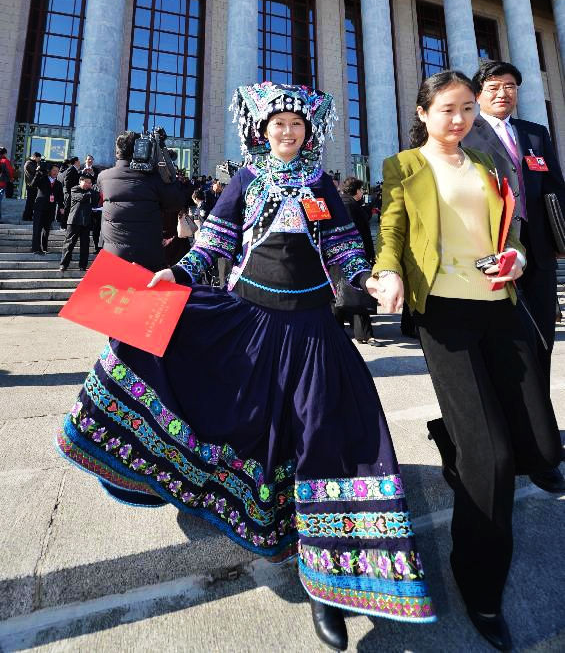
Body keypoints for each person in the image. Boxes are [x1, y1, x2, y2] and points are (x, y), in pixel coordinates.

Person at [57, 83, 435, 652]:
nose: (288, 132)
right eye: (278, 124)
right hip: (249, 321)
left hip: (312, 333)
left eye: (297, 126)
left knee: (328, 443)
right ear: (261, 130)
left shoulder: (321, 184)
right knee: (206, 388)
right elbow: (213, 244)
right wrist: (174, 276)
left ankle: (328, 589)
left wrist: (370, 278)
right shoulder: (243, 180)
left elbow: (343, 249)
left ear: (309, 133)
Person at [371, 69, 561, 651]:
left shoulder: (486, 166)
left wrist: (516, 258)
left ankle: (452, 439)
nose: (461, 120)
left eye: (467, 110)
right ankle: (479, 586)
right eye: (449, 110)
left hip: (500, 307)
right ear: (425, 113)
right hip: (445, 317)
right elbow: (392, 228)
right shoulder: (405, 166)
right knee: (493, 460)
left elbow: (512, 231)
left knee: (543, 447)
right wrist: (387, 272)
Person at [465, 60, 565, 494]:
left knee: (540, 349)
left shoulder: (534, 134)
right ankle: (498, 442)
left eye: (510, 86)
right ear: (478, 93)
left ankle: (540, 448)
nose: (503, 93)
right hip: (489, 260)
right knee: (495, 354)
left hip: (538, 260)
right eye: (494, 86)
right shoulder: (466, 132)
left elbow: (555, 188)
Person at [97, 132, 185, 272]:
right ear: (141, 149)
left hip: (112, 256)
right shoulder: (153, 179)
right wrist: (166, 171)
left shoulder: (103, 177)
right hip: (147, 258)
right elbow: (175, 203)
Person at [334, 176, 378, 345]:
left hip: (335, 254)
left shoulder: (337, 203)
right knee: (358, 292)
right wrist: (369, 254)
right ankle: (364, 333)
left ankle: (337, 330)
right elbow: (364, 232)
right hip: (355, 253)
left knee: (337, 293)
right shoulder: (352, 206)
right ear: (357, 191)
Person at [60, 172, 100, 272]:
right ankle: (64, 264)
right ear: (80, 181)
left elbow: (96, 200)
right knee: (69, 244)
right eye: (86, 182)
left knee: (85, 245)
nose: (88, 184)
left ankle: (83, 266)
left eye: (90, 182)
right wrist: (90, 193)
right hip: (74, 221)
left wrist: (91, 193)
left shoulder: (92, 192)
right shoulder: (75, 189)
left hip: (86, 222)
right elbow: (81, 198)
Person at [29, 162, 64, 254]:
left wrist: (61, 207)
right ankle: (36, 248)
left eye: (57, 171)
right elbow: (32, 185)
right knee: (37, 228)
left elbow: (60, 197)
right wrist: (37, 173)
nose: (55, 173)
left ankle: (44, 248)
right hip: (40, 208)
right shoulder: (42, 179)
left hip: (50, 209)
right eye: (54, 170)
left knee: (46, 229)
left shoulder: (58, 184)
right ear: (49, 171)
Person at [62, 156, 81, 229]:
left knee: (70, 209)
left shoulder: (75, 170)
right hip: (69, 194)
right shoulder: (71, 169)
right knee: (67, 209)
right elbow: (67, 182)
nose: (79, 162)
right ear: (76, 161)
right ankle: (63, 226)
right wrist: (70, 192)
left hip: (72, 193)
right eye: (78, 160)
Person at [23, 152, 43, 221]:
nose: (39, 160)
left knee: (31, 202)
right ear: (34, 157)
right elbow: (35, 172)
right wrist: (38, 169)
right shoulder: (29, 163)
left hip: (33, 185)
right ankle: (26, 216)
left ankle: (29, 216)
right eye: (38, 158)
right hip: (30, 185)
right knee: (30, 202)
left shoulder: (32, 163)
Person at [0, 147, 15, 223]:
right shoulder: (5, 161)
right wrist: (11, 178)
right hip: (1, 183)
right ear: (4, 153)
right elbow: (10, 171)